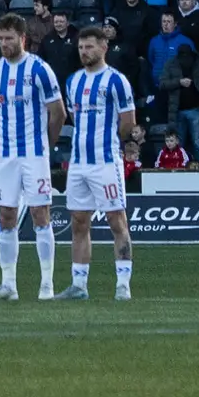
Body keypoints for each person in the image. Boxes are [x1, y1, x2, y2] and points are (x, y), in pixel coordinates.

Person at [0, 12, 65, 300]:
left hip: (34, 155)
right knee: (6, 216)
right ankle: (9, 285)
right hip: (5, 156)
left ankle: (46, 284)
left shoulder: (40, 69)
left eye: (9, 38)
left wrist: (45, 143)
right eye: (0, 38)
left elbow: (58, 113)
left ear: (23, 39)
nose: (4, 43)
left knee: (40, 215)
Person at [57, 24, 139, 303]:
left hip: (106, 162)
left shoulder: (117, 81)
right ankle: (79, 285)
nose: (84, 51)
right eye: (80, 47)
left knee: (117, 221)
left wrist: (108, 143)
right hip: (78, 163)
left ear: (104, 47)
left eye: (89, 46)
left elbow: (128, 123)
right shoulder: (73, 81)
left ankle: (123, 285)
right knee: (79, 222)